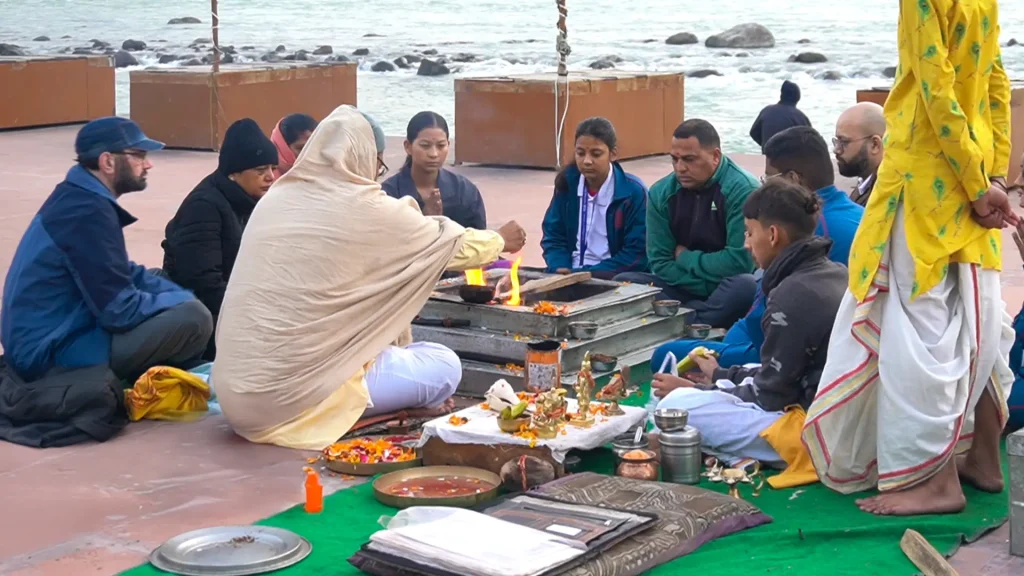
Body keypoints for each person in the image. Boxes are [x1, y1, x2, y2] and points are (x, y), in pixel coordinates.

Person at [802, 0, 1016, 516]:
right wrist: (992, 176)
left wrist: (975, 185)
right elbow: (995, 83)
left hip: (926, 186)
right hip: (975, 177)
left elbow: (934, 87)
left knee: (918, 338)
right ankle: (984, 459)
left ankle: (937, 482)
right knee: (980, 322)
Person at [211, 105, 528, 450]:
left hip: (235, 394)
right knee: (445, 365)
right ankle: (357, 413)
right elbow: (447, 246)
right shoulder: (364, 206)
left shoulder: (277, 198)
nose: (377, 173)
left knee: (404, 348)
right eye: (376, 163)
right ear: (362, 157)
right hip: (289, 400)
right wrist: (499, 239)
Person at [0, 117, 212, 448]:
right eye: (139, 155)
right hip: (49, 354)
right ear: (108, 162)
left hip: (55, 330)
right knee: (195, 319)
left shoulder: (78, 198)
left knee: (160, 282)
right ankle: (131, 381)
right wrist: (181, 302)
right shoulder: (87, 213)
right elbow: (120, 311)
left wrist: (173, 294)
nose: (148, 164)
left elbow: (122, 272)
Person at [651, 179, 847, 478]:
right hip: (830, 408)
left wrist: (699, 389)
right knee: (747, 370)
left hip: (816, 431)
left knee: (680, 405)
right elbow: (780, 374)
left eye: (749, 232)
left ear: (772, 235)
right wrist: (720, 375)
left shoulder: (793, 293)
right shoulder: (836, 272)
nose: (746, 243)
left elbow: (772, 397)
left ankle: (732, 451)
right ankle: (731, 452)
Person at [650, 125, 863, 372]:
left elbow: (767, 339)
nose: (763, 186)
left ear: (793, 181)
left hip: (784, 354)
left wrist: (722, 370)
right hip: (797, 339)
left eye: (768, 179)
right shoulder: (860, 215)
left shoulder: (808, 230)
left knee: (664, 354)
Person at [614, 119, 758, 329]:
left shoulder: (743, 189)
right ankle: (697, 318)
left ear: (715, 156)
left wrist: (684, 257)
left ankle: (681, 319)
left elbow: (739, 262)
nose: (680, 168)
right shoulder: (660, 193)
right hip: (682, 285)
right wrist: (701, 284)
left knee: (746, 285)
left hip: (726, 286)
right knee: (623, 282)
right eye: (675, 159)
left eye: (690, 159)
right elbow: (659, 262)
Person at [162, 118, 279, 360]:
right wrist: (258, 315)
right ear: (234, 173)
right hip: (202, 319)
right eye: (260, 171)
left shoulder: (249, 200)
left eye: (272, 168)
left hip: (234, 306)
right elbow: (203, 284)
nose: (270, 177)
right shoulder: (204, 207)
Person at [540, 117, 648, 279]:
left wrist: (586, 274)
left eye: (596, 154)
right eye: (580, 153)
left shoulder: (634, 192)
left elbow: (636, 254)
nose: (587, 161)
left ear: (613, 154)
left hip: (611, 276)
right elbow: (553, 235)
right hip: (568, 273)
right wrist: (559, 267)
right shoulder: (567, 183)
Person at [382, 111, 486, 230]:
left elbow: (479, 238)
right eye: (425, 145)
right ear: (408, 147)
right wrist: (424, 220)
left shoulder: (464, 191)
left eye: (441, 146)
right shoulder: (388, 194)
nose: (434, 154)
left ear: (448, 145)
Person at [834, 102, 885, 207]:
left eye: (844, 142)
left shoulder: (884, 195)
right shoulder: (866, 182)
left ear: (875, 145)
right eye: (837, 141)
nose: (836, 150)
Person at [748, 81, 812, 151]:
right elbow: (812, 143)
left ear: (781, 95)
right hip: (790, 156)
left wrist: (767, 146)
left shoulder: (766, 111)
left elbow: (753, 133)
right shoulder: (801, 118)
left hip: (768, 155)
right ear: (798, 98)